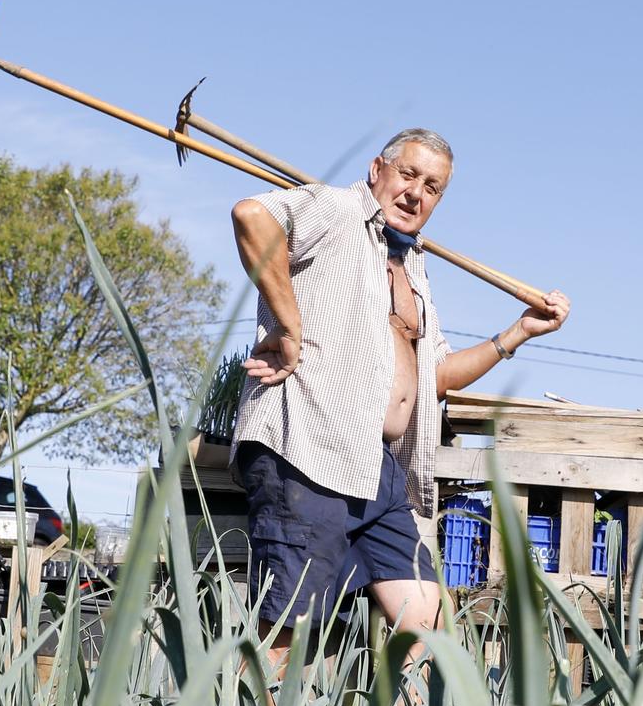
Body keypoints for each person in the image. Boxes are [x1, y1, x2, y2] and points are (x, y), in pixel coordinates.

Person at [230, 128, 570, 658]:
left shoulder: (411, 265)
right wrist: (291, 329)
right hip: (309, 449)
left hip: (379, 469)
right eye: (408, 175)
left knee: (430, 636)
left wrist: (518, 333)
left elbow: (435, 375)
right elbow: (253, 216)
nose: (416, 193)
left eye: (432, 187)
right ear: (377, 170)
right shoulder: (339, 209)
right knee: (286, 641)